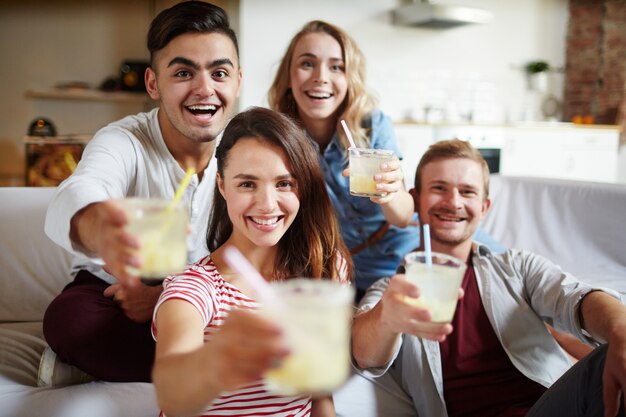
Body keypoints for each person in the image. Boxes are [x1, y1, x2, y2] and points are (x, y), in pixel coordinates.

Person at [351, 139, 626, 417]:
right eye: (439, 188)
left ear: (484, 208)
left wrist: (620, 330)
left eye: (467, 192)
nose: (453, 202)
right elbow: (364, 353)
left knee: (611, 353)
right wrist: (388, 314)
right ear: (416, 200)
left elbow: (576, 298)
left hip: (554, 407)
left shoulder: (518, 267)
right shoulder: (393, 289)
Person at [42, 1, 241, 383]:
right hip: (116, 290)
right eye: (183, 72)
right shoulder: (123, 139)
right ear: (153, 83)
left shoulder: (245, 149)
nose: (205, 89)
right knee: (70, 320)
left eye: (219, 72)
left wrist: (168, 298)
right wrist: (100, 225)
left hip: (206, 294)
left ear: (237, 80)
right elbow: (81, 189)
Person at [268, 20, 503, 297]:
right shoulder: (278, 138)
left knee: (510, 282)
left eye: (336, 66)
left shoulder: (371, 125)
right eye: (307, 63)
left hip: (414, 247)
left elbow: (403, 216)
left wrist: (389, 192)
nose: (321, 76)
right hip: (353, 267)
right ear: (289, 75)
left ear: (349, 77)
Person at [151, 107, 351, 417]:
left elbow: (320, 398)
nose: (267, 204)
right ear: (221, 185)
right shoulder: (193, 290)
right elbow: (172, 396)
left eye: (284, 184)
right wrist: (217, 359)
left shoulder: (323, 272)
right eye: (247, 184)